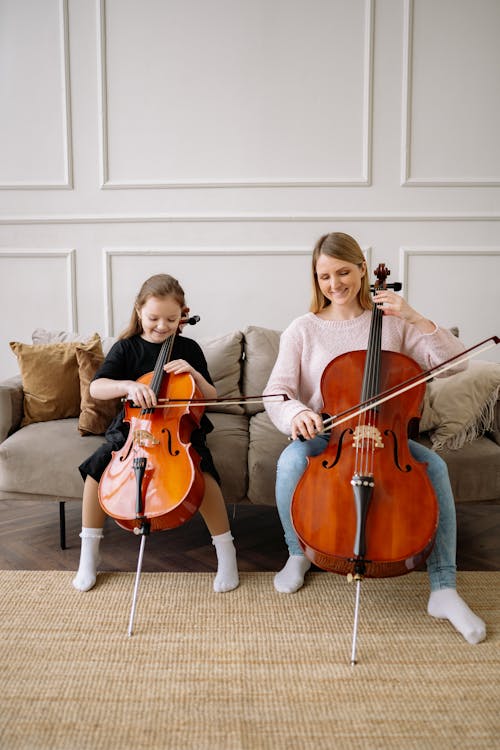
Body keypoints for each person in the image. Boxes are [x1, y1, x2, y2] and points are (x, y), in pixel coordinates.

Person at [264, 231, 486, 645]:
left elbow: (455, 365)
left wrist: (416, 318)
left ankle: (444, 587)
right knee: (291, 461)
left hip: (387, 438)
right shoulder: (303, 329)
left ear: (363, 270)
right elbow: (276, 392)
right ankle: (298, 553)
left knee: (433, 464)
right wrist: (299, 413)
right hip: (330, 436)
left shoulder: (394, 322)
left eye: (343, 272)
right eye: (325, 276)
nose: (335, 284)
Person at [73, 273, 239, 594]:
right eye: (153, 318)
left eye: (171, 319)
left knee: (202, 474)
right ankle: (89, 554)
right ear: (138, 312)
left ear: (183, 316)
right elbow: (97, 387)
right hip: (134, 429)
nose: (162, 326)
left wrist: (191, 372)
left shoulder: (188, 348)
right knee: (95, 472)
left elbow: (211, 396)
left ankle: (225, 551)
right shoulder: (126, 348)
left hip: (180, 429)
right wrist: (129, 385)